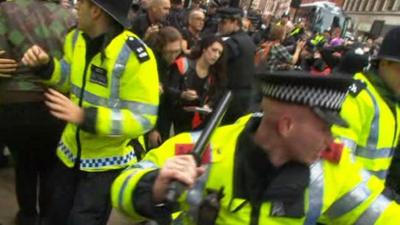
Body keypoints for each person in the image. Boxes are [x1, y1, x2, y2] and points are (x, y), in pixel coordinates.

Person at [111, 70, 400, 225]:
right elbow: (122, 188)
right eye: (325, 128)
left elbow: (384, 216)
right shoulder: (205, 150)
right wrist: (155, 185)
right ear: (286, 126)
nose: (331, 140)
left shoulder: (332, 169)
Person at [20, 0, 159, 224]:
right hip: (69, 157)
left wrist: (85, 117)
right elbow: (68, 78)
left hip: (106, 166)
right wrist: (46, 66)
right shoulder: (75, 38)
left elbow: (142, 119)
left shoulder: (136, 56)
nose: (76, 8)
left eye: (81, 3)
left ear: (95, 11)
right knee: (55, 217)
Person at [0, 0, 75, 224]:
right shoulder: (70, 17)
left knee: (23, 165)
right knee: (51, 168)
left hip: (13, 102)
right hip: (55, 102)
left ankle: (27, 216)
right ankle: (47, 217)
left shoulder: (5, 9)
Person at [331, 27, 400, 185]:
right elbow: (337, 163)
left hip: (374, 201)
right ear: (383, 63)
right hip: (348, 202)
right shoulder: (357, 97)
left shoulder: (392, 100)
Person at [167, 35, 226, 134]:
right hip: (174, 118)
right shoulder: (183, 64)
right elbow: (167, 89)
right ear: (204, 49)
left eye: (219, 53)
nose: (216, 55)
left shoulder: (214, 75)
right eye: (214, 50)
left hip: (197, 123)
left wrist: (208, 105)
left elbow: (215, 96)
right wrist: (182, 94)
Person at [216, 7, 256, 124]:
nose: (220, 25)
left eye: (223, 22)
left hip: (231, 96)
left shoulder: (233, 42)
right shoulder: (247, 39)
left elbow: (217, 62)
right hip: (245, 95)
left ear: (235, 22)